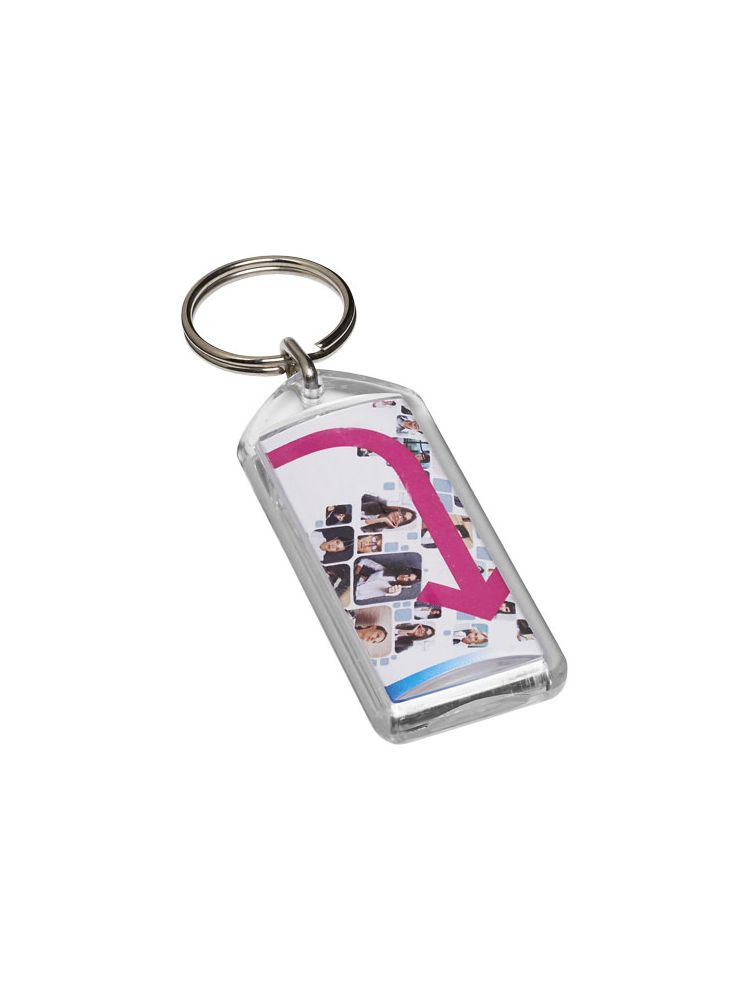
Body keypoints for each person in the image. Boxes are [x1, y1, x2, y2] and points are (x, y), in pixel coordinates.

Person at [354, 557, 421, 602]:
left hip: (355, 594)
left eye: (408, 580)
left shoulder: (397, 590)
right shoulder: (385, 570)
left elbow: (390, 591)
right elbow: (364, 560)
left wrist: (390, 591)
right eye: (408, 575)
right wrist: (356, 574)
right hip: (354, 581)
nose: (405, 577)